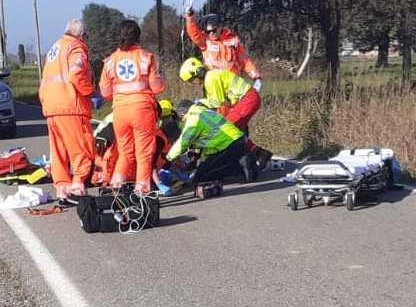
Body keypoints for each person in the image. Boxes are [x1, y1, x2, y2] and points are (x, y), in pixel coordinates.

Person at [99, 20, 165, 194]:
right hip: (142, 110)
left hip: (120, 112)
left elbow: (105, 92)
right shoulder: (146, 57)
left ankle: (116, 187)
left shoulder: (110, 61)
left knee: (125, 152)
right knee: (143, 153)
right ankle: (142, 191)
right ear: (138, 36)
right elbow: (157, 88)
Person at [179, 57, 273, 169]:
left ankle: (253, 156)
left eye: (191, 80)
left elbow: (218, 105)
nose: (193, 83)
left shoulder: (211, 79)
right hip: (244, 101)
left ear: (198, 73)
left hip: (247, 99)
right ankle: (259, 154)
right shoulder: (210, 78)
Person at [39, 18, 96, 199]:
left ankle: (62, 188)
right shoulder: (76, 48)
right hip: (70, 105)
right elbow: (76, 73)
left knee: (58, 150)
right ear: (82, 35)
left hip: (50, 105)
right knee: (81, 146)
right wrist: (89, 91)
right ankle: (79, 184)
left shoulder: (55, 48)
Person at [166, 100, 258, 185]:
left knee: (200, 177)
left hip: (226, 145)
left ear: (182, 113)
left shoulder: (193, 118)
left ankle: (239, 167)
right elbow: (208, 140)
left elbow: (183, 142)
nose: (182, 121)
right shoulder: (204, 111)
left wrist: (168, 158)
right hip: (236, 140)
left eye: (181, 118)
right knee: (209, 167)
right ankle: (244, 163)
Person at [184, 5, 263, 91]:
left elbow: (244, 60)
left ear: (219, 27)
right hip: (214, 85)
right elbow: (193, 33)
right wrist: (189, 16)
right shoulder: (205, 41)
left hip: (233, 83)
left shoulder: (232, 40)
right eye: (208, 31)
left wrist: (256, 77)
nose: (211, 33)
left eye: (213, 30)